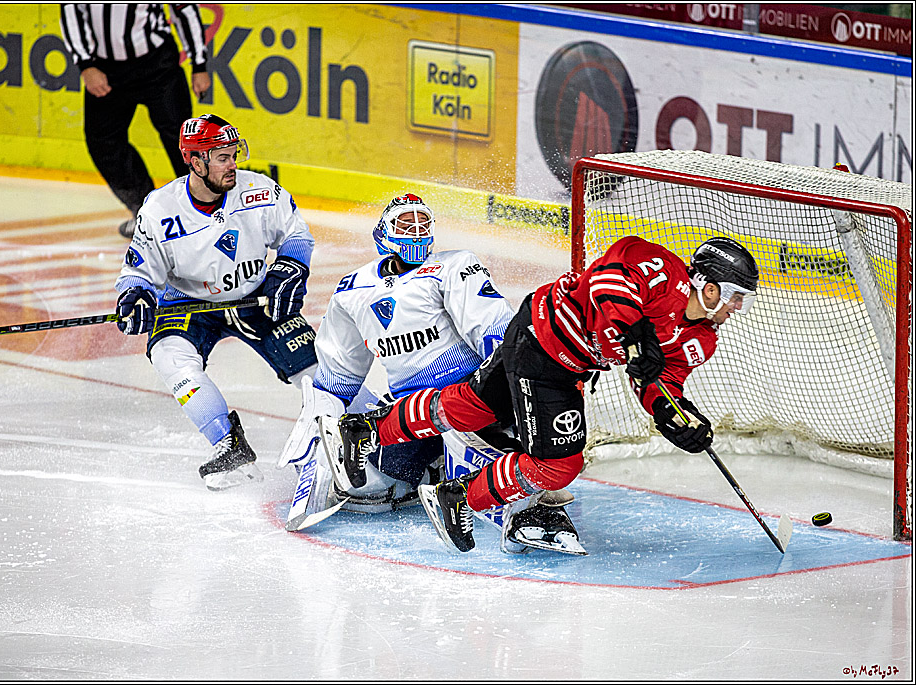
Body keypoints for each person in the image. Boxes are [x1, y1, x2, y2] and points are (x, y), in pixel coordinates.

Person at [336, 234, 760, 552]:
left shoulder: (701, 340)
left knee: (471, 407)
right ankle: (460, 496)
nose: (738, 308)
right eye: (736, 296)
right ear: (710, 286)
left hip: (551, 354)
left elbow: (658, 381)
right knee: (559, 464)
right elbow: (606, 284)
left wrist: (676, 415)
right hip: (545, 348)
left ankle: (368, 430)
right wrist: (634, 334)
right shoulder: (656, 266)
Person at [279, 194, 580, 552]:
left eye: (424, 224)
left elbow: (494, 332)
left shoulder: (455, 267)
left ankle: (531, 508)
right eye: (407, 225)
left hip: (472, 398)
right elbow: (337, 378)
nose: (418, 233)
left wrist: (513, 396)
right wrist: (319, 441)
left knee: (510, 454)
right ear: (385, 234)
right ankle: (431, 469)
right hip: (411, 412)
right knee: (370, 492)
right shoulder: (351, 291)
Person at [114, 113, 318, 490]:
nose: (232, 164)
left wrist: (290, 268)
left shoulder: (259, 190)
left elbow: (297, 234)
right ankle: (227, 442)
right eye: (221, 157)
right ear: (194, 161)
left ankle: (374, 430)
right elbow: (139, 272)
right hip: (189, 303)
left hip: (256, 299)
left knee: (316, 371)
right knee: (169, 355)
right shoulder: (160, 209)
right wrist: (136, 297)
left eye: (233, 153)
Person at [60, 3, 211, 237]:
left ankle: (203, 213)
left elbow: (184, 9)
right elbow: (70, 11)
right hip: (106, 69)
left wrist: (199, 64)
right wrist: (86, 65)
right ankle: (146, 213)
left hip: (157, 64)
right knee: (103, 141)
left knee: (182, 140)